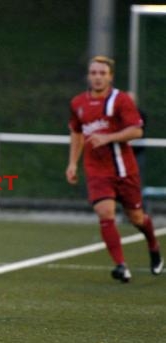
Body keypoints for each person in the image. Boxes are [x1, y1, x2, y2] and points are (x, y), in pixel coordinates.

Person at [65, 55, 163, 283]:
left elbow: (137, 131)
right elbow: (76, 132)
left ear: (110, 77)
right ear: (88, 76)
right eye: (93, 73)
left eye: (102, 73)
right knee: (105, 212)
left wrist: (108, 137)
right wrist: (72, 163)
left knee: (137, 218)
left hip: (124, 169)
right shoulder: (78, 103)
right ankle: (121, 266)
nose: (98, 77)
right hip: (97, 171)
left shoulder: (120, 100)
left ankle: (154, 246)